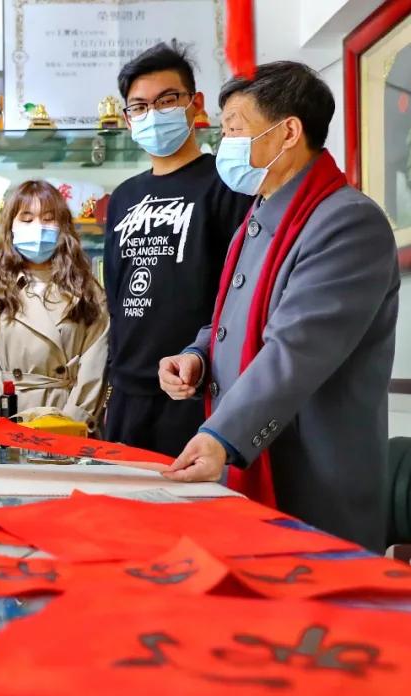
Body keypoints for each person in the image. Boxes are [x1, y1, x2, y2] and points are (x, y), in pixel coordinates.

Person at [159, 61, 400, 553]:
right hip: (252, 462)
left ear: (288, 132)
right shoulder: (263, 215)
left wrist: (222, 437)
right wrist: (198, 356)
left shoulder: (348, 223)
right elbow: (235, 318)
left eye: (234, 129)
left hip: (314, 479)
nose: (224, 144)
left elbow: (298, 348)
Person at [103, 42, 252, 456]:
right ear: (128, 119)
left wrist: (203, 362)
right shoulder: (123, 197)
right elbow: (115, 293)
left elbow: (240, 292)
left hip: (194, 388)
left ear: (194, 104)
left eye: (167, 100)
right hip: (127, 392)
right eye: (139, 106)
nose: (153, 114)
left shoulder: (226, 186)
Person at [0, 181, 109, 429]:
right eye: (27, 219)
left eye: (48, 219)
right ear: (11, 227)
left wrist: (70, 425)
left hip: (69, 424)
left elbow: (95, 369)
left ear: (62, 227)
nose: (38, 228)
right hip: (8, 419)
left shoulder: (88, 292)